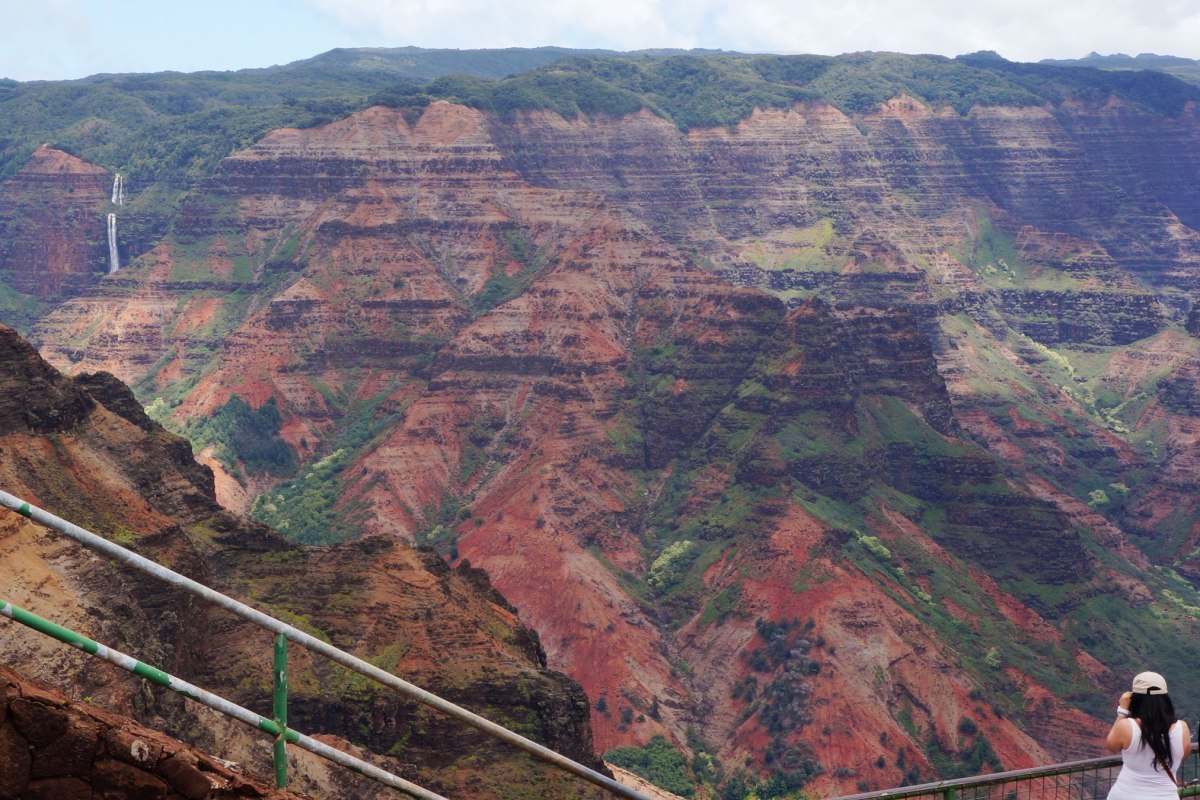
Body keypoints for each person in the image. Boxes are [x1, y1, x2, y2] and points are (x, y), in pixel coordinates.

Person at [1105, 671, 1192, 800]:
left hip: (1126, 795)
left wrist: (1122, 711)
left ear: (1135, 699)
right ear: (1165, 699)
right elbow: (1183, 755)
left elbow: (1111, 747)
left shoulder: (1127, 726)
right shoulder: (1182, 728)